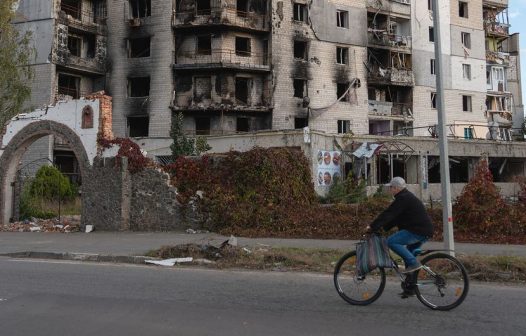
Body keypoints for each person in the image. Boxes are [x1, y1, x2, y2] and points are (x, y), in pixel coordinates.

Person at [366, 176, 434, 275]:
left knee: (391, 242)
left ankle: (414, 263)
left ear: (397, 188)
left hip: (417, 231)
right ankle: (410, 286)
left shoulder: (403, 198)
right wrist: (382, 228)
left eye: (391, 187)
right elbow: (395, 218)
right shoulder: (405, 197)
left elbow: (388, 213)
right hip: (423, 231)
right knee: (409, 253)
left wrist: (372, 226)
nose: (390, 190)